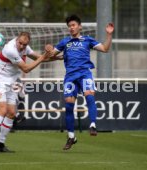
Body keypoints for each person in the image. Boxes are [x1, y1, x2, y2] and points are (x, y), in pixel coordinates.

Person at [45, 14, 114, 150]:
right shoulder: (65, 42)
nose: (71, 28)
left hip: (84, 74)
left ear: (79, 26)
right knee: (69, 106)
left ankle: (93, 125)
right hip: (70, 77)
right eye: (69, 26)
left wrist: (109, 35)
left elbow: (105, 49)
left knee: (89, 96)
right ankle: (71, 136)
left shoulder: (87, 40)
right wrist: (49, 50)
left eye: (73, 25)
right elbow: (52, 54)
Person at [0, 31, 54, 153]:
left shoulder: (25, 48)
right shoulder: (10, 49)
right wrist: (44, 56)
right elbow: (26, 69)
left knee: (11, 113)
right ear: (17, 40)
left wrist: (57, 57)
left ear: (28, 43)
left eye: (24, 44)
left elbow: (38, 58)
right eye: (20, 43)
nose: (21, 46)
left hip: (10, 82)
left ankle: (0, 144)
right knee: (2, 110)